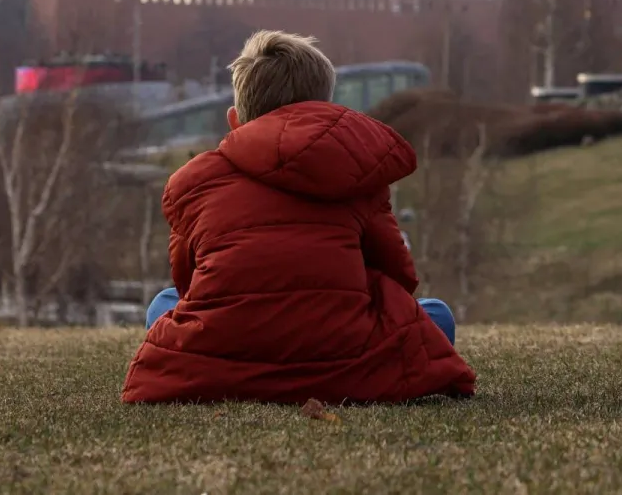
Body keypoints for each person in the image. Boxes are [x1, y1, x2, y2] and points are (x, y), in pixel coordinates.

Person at [121, 31, 477, 404]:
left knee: (162, 304)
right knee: (437, 315)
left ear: (234, 119)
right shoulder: (358, 173)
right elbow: (399, 277)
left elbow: (186, 283)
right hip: (346, 363)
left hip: (221, 359)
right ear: (326, 107)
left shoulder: (192, 181)